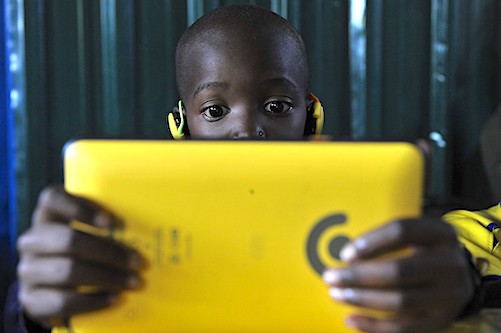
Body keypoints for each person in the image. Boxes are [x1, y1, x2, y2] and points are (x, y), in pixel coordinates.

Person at [5, 4, 496, 333]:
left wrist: (469, 289)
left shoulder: (395, 236)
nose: (248, 130)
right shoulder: (121, 240)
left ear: (312, 116)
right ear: (180, 125)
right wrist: (32, 313)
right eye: (215, 111)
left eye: (277, 106)